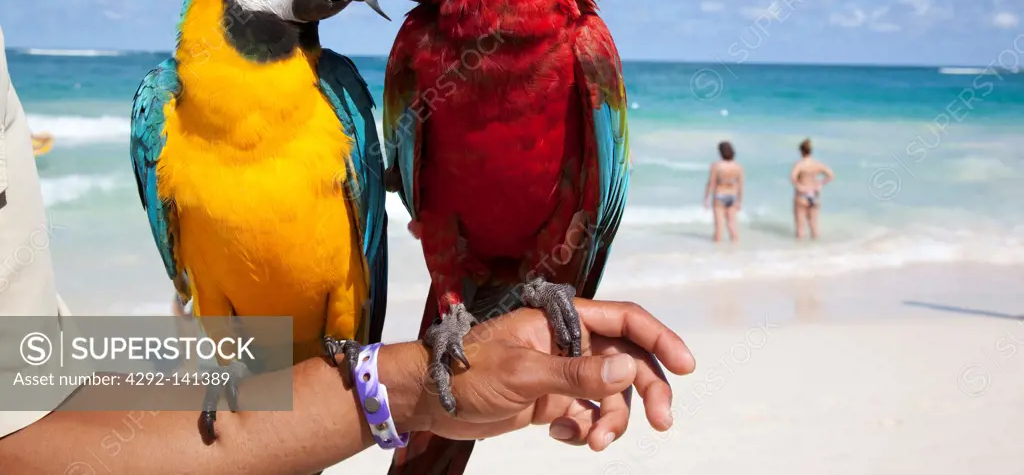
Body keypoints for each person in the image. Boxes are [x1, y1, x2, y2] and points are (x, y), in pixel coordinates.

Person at [0, 26, 696, 473]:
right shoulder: (163, 106)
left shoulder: (333, 93)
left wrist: (406, 383)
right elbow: (23, 426)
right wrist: (390, 391)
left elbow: (31, 372)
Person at [790, 138, 835, 240]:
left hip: (802, 195)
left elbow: (792, 177)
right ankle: (817, 252)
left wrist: (799, 186)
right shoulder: (817, 164)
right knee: (814, 227)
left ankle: (801, 253)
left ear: (801, 151)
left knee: (801, 229)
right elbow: (831, 175)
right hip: (814, 194)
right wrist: (820, 183)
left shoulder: (800, 164)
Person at [703, 140, 743, 242]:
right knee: (731, 224)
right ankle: (736, 248)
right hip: (732, 196)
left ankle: (717, 253)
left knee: (719, 227)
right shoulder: (738, 166)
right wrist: (739, 201)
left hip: (719, 195)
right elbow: (740, 185)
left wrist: (706, 198)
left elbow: (711, 182)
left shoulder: (716, 165)